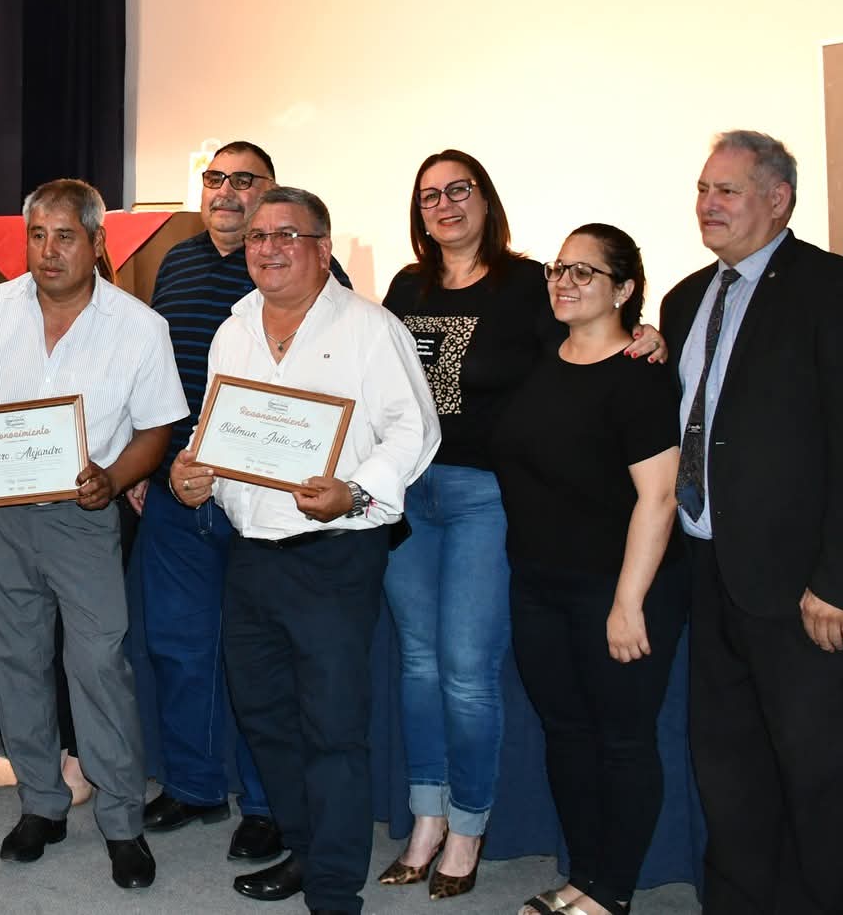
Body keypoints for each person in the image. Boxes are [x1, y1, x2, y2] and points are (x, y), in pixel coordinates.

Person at [378, 149, 660, 897]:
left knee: (467, 673)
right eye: (430, 194)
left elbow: (588, 341)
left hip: (486, 496)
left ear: (485, 199)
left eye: (459, 189)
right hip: (411, 494)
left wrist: (647, 333)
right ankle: (426, 816)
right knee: (417, 664)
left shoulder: (528, 285)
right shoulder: (405, 288)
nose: (445, 205)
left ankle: (468, 826)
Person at [170, 187, 438, 915]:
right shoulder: (235, 329)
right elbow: (217, 428)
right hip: (252, 552)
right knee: (264, 718)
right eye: (258, 235)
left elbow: (412, 431)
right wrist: (194, 472)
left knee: (332, 729)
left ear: (323, 246)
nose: (268, 247)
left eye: (287, 234)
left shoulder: (369, 328)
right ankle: (308, 848)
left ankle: (332, 888)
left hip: (334, 555)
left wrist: (355, 492)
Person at [664, 131, 843, 915]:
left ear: (778, 198)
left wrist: (839, 580)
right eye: (703, 188)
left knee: (821, 788)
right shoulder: (684, 297)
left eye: (727, 190)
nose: (708, 203)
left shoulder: (841, 291)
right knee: (729, 776)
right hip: (710, 574)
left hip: (806, 592)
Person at [0, 179, 185, 889]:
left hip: (85, 516)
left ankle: (120, 821)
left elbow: (157, 427)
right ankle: (41, 803)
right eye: (37, 236)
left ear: (97, 242)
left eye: (65, 236)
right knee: (15, 658)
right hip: (1, 519)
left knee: (99, 663)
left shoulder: (139, 326)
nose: (49, 251)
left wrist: (112, 476)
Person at [141, 140, 349, 863]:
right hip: (179, 487)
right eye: (214, 177)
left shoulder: (306, 267)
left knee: (263, 659)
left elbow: (332, 387)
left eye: (244, 181)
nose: (226, 192)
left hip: (264, 495)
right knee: (177, 644)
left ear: (271, 193)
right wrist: (148, 462)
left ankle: (264, 804)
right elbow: (156, 373)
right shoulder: (176, 260)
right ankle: (195, 785)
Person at [494, 225, 682, 915]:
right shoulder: (543, 353)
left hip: (618, 588)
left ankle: (612, 892)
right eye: (558, 268)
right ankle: (583, 876)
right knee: (566, 733)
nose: (564, 281)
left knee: (623, 740)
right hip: (538, 583)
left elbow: (658, 497)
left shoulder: (640, 376)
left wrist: (629, 601)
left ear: (625, 288)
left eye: (585, 272)